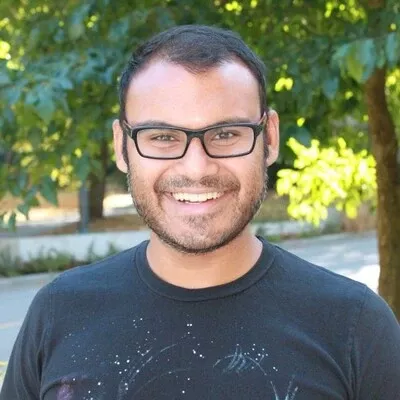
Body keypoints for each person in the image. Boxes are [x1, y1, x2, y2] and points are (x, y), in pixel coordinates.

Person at [1, 25, 400, 400]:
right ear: (122, 146)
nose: (196, 168)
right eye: (162, 137)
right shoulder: (58, 313)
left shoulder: (354, 326)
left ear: (270, 138)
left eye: (226, 134)